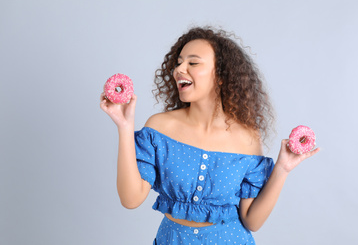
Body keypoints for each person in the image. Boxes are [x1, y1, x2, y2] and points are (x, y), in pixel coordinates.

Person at [100, 26, 320, 244]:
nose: (179, 69)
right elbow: (130, 199)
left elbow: (252, 221)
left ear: (221, 76)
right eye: (178, 63)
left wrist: (282, 169)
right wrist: (125, 128)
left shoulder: (248, 138)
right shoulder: (159, 127)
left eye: (193, 63)